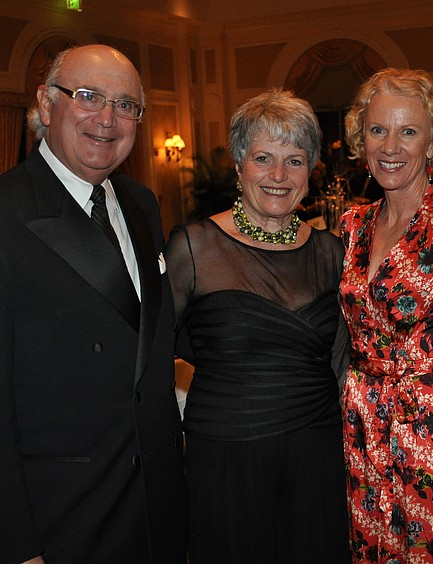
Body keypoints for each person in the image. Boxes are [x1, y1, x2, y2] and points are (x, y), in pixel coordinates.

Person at [0, 45, 186, 563]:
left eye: (126, 105)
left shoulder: (142, 205)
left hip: (155, 513)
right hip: (60, 522)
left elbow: (148, 347)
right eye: (88, 96)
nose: (107, 119)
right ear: (46, 105)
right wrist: (12, 547)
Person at [164, 89, 349, 563]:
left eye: (294, 160)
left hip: (317, 456)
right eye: (263, 158)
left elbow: (342, 362)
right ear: (240, 165)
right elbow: (157, 350)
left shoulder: (332, 253)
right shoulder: (195, 247)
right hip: (226, 459)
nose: (278, 175)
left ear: (311, 172)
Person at [339, 68, 433, 563]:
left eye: (408, 131)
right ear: (361, 138)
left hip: (429, 431)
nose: (391, 146)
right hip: (360, 424)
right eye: (378, 130)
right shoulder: (351, 226)